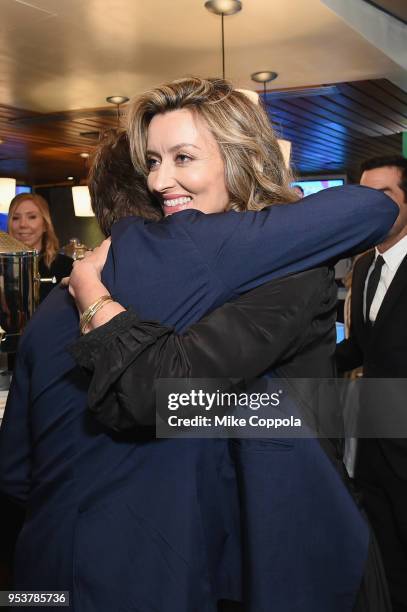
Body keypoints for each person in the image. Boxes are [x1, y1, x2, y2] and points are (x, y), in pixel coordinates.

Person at [0, 81, 397, 611]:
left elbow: (15, 474)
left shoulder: (54, 309)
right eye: (154, 162)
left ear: (240, 158)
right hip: (175, 575)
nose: (163, 180)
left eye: (183, 157)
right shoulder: (215, 253)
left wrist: (93, 294)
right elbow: (165, 397)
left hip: (36, 584)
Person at [336, 155, 407, 612]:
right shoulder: (362, 266)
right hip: (374, 443)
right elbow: (361, 348)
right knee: (386, 554)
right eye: (365, 196)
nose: (372, 208)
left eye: (385, 196)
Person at [8, 193, 73, 302]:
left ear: (45, 225)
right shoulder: (3, 266)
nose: (23, 224)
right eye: (15, 218)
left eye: (32, 217)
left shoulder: (66, 267)